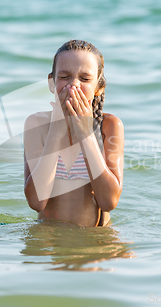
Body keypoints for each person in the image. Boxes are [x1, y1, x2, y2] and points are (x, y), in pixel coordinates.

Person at [23, 39, 124, 227]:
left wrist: (86, 134)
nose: (73, 86)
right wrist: (55, 133)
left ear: (98, 87)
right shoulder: (36, 124)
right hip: (49, 241)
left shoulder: (108, 126)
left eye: (84, 79)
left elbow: (109, 201)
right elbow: (36, 203)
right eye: (64, 77)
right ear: (51, 83)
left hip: (96, 243)